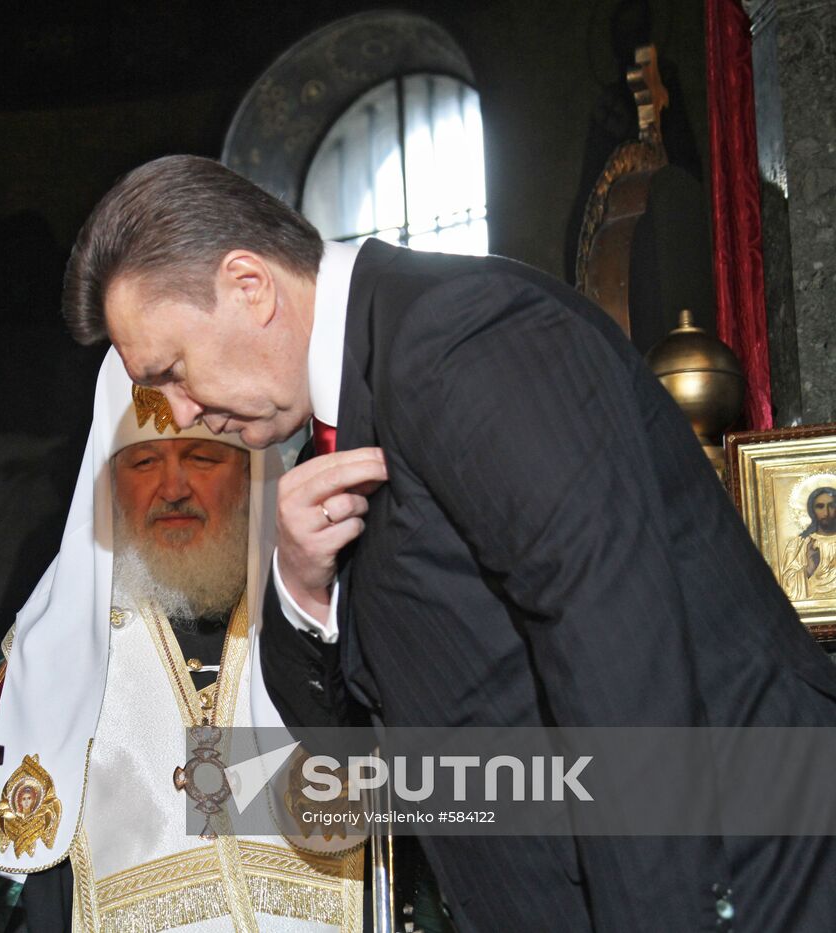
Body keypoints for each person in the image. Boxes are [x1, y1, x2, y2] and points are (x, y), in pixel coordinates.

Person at [57, 154, 836, 931]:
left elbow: (621, 653)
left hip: (742, 888)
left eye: (175, 372)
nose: (183, 413)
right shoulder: (344, 408)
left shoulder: (459, 335)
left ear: (249, 286)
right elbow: (351, 757)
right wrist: (299, 588)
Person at [0, 351, 369, 932]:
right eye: (143, 461)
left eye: (201, 457)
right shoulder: (44, 661)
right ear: (109, 482)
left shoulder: (327, 622)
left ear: (252, 470)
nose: (172, 488)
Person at [781, 485, 836, 600]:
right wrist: (809, 568)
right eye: (820, 507)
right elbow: (786, 589)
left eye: (831, 506)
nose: (826, 512)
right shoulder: (798, 545)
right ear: (812, 511)